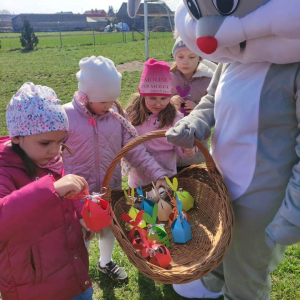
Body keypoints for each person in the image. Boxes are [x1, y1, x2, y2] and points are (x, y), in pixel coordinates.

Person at [165, 0, 300, 299]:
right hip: (222, 185)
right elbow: (211, 100)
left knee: (246, 280)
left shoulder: (293, 68)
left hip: (263, 198)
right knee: (222, 251)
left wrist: (293, 212)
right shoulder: (229, 59)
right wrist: (193, 125)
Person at [62, 55, 169, 282]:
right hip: (77, 195)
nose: (110, 105)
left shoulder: (115, 120)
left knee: (107, 228)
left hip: (106, 190)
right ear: (87, 95)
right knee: (81, 232)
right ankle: (78, 268)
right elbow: (51, 153)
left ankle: (105, 262)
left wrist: (159, 174)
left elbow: (136, 151)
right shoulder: (66, 117)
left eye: (113, 100)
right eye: (104, 101)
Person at [0, 82, 94, 300]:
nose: (55, 151)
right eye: (45, 143)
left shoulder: (47, 160)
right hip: (33, 287)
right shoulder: (4, 170)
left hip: (71, 272)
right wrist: (50, 189)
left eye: (60, 142)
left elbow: (63, 200)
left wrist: (79, 215)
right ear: (16, 137)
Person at [126, 58, 196, 188]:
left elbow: (180, 146)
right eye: (152, 98)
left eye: (163, 98)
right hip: (138, 181)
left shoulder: (175, 118)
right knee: (140, 207)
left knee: (164, 207)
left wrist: (188, 149)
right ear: (143, 95)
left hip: (166, 178)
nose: (158, 103)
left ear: (170, 96)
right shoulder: (132, 116)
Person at [170, 36, 216, 172]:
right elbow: (155, 105)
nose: (186, 62)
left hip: (196, 147)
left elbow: (213, 110)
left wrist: (197, 108)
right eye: (180, 57)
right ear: (175, 57)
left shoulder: (208, 81)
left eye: (191, 57)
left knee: (193, 182)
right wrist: (170, 103)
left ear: (199, 58)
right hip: (170, 148)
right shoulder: (168, 77)